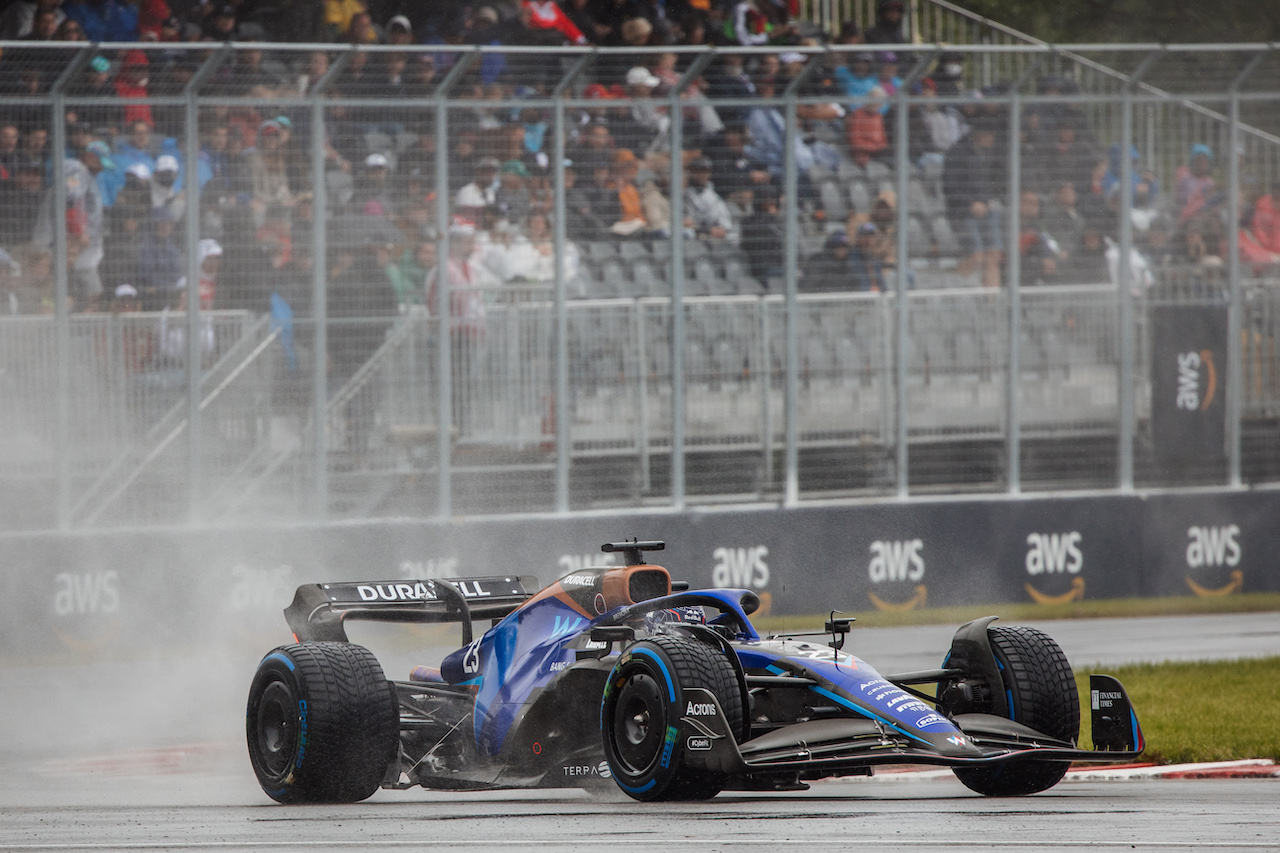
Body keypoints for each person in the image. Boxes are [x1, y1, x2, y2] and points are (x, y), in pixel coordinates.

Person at [942, 112, 1007, 288]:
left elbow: (996, 180)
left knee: (994, 254)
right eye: (990, 136)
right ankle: (953, 293)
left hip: (987, 209)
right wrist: (971, 203)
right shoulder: (957, 153)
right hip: (963, 213)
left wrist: (990, 200)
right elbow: (949, 186)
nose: (992, 140)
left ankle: (993, 306)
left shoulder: (989, 153)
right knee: (976, 256)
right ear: (981, 135)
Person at [683, 156, 738, 245]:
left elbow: (726, 228)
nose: (702, 175)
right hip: (692, 239)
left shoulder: (714, 197)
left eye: (705, 171)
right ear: (692, 172)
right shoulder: (683, 195)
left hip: (712, 238)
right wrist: (706, 230)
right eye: (698, 171)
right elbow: (686, 223)